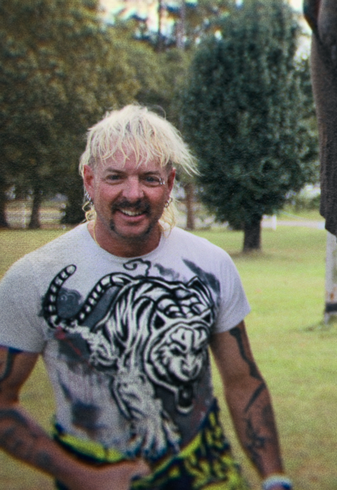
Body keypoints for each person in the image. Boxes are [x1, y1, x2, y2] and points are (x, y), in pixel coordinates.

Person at [0, 105, 293, 490]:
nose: (133, 194)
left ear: (170, 184)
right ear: (89, 180)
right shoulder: (35, 276)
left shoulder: (209, 264)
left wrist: (273, 478)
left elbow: (242, 381)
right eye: (116, 177)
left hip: (206, 472)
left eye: (149, 178)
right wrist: (86, 477)